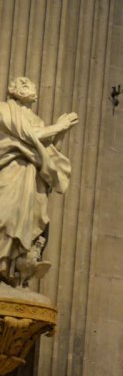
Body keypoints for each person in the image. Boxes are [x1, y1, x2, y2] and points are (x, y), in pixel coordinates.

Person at [0, 76, 77, 287]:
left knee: (27, 221)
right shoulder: (4, 110)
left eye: (32, 85)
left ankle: (14, 272)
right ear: (13, 89)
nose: (30, 87)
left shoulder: (38, 120)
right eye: (23, 84)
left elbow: (49, 153)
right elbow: (29, 136)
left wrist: (61, 133)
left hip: (32, 180)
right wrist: (58, 127)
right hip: (9, 173)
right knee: (5, 216)